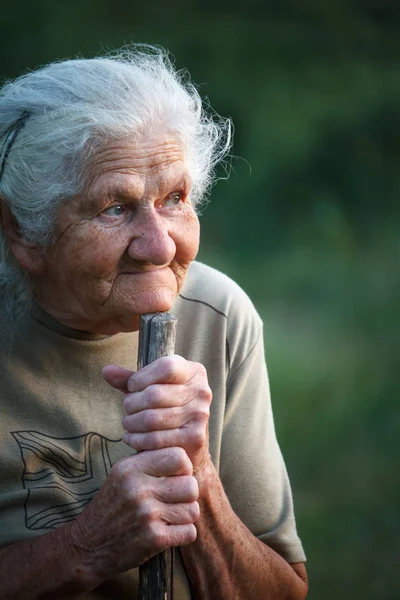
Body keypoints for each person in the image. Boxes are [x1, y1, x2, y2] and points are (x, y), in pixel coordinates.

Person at [0, 46, 307, 599]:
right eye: (115, 208)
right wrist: (86, 546)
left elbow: (284, 589)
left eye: (175, 198)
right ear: (22, 231)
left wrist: (195, 472)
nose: (160, 245)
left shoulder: (218, 315)